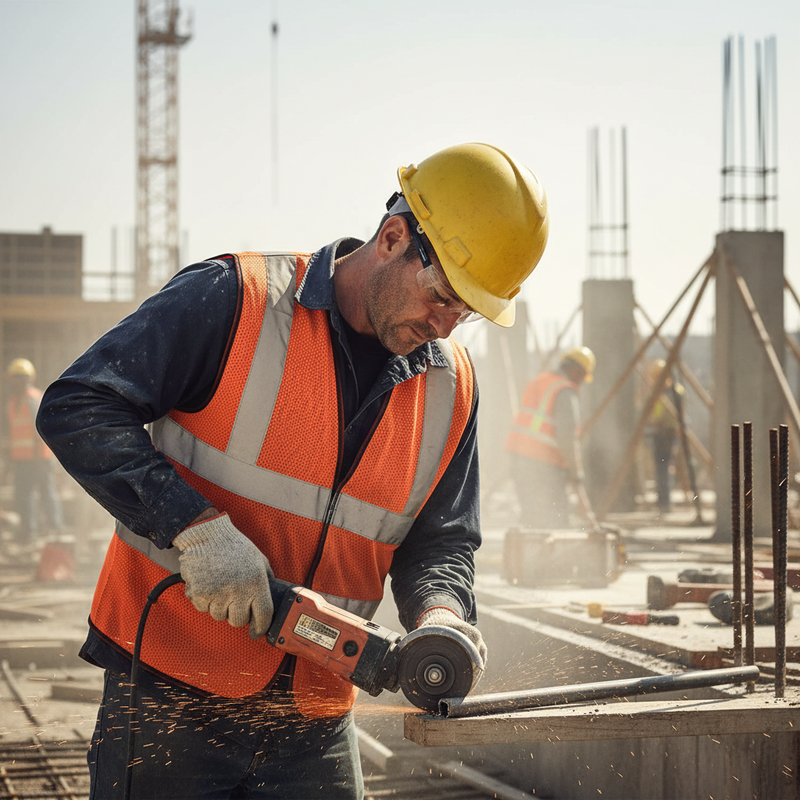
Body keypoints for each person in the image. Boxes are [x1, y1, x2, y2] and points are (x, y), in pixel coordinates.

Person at [36, 142, 549, 800]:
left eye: (467, 311)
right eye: (443, 296)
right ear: (394, 238)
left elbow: (442, 539)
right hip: (171, 688)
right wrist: (192, 527)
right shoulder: (238, 300)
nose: (447, 323)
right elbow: (79, 406)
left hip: (315, 714)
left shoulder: (454, 386)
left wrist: (442, 619)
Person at [504, 346, 597, 530]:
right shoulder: (565, 390)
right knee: (555, 519)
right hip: (544, 465)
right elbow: (567, 436)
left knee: (532, 518)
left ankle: (529, 557)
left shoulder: (540, 380)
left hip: (518, 457)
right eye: (582, 376)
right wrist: (576, 472)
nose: (581, 382)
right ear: (576, 371)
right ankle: (550, 559)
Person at [4, 358, 63, 545]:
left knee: (44, 493)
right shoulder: (14, 402)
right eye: (16, 377)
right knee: (24, 495)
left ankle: (54, 530)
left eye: (23, 377)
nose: (20, 381)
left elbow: (40, 428)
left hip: (39, 458)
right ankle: (30, 530)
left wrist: (40, 455)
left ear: (29, 379)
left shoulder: (33, 398)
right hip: (23, 459)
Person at [645, 359, 685, 513]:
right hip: (658, 433)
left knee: (666, 467)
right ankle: (661, 501)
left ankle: (665, 503)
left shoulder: (675, 391)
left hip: (669, 432)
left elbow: (677, 413)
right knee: (660, 467)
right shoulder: (657, 393)